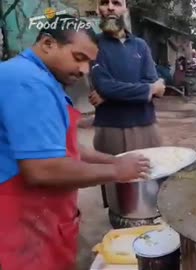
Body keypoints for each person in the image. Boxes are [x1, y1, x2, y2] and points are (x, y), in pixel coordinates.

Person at [0, 14, 151, 270]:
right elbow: (42, 168)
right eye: (78, 58)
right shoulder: (28, 82)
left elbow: (65, 147)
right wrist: (116, 171)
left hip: (41, 219)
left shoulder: (40, 77)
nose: (83, 71)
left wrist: (114, 160)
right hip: (22, 224)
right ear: (48, 44)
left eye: (90, 63)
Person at [88, 0, 165, 208]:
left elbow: (154, 81)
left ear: (125, 10)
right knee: (120, 194)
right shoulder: (93, 45)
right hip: (111, 129)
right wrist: (147, 90)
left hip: (146, 125)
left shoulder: (140, 45)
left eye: (117, 3)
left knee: (151, 186)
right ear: (98, 10)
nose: (110, 7)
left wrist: (111, 94)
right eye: (105, 3)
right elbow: (105, 85)